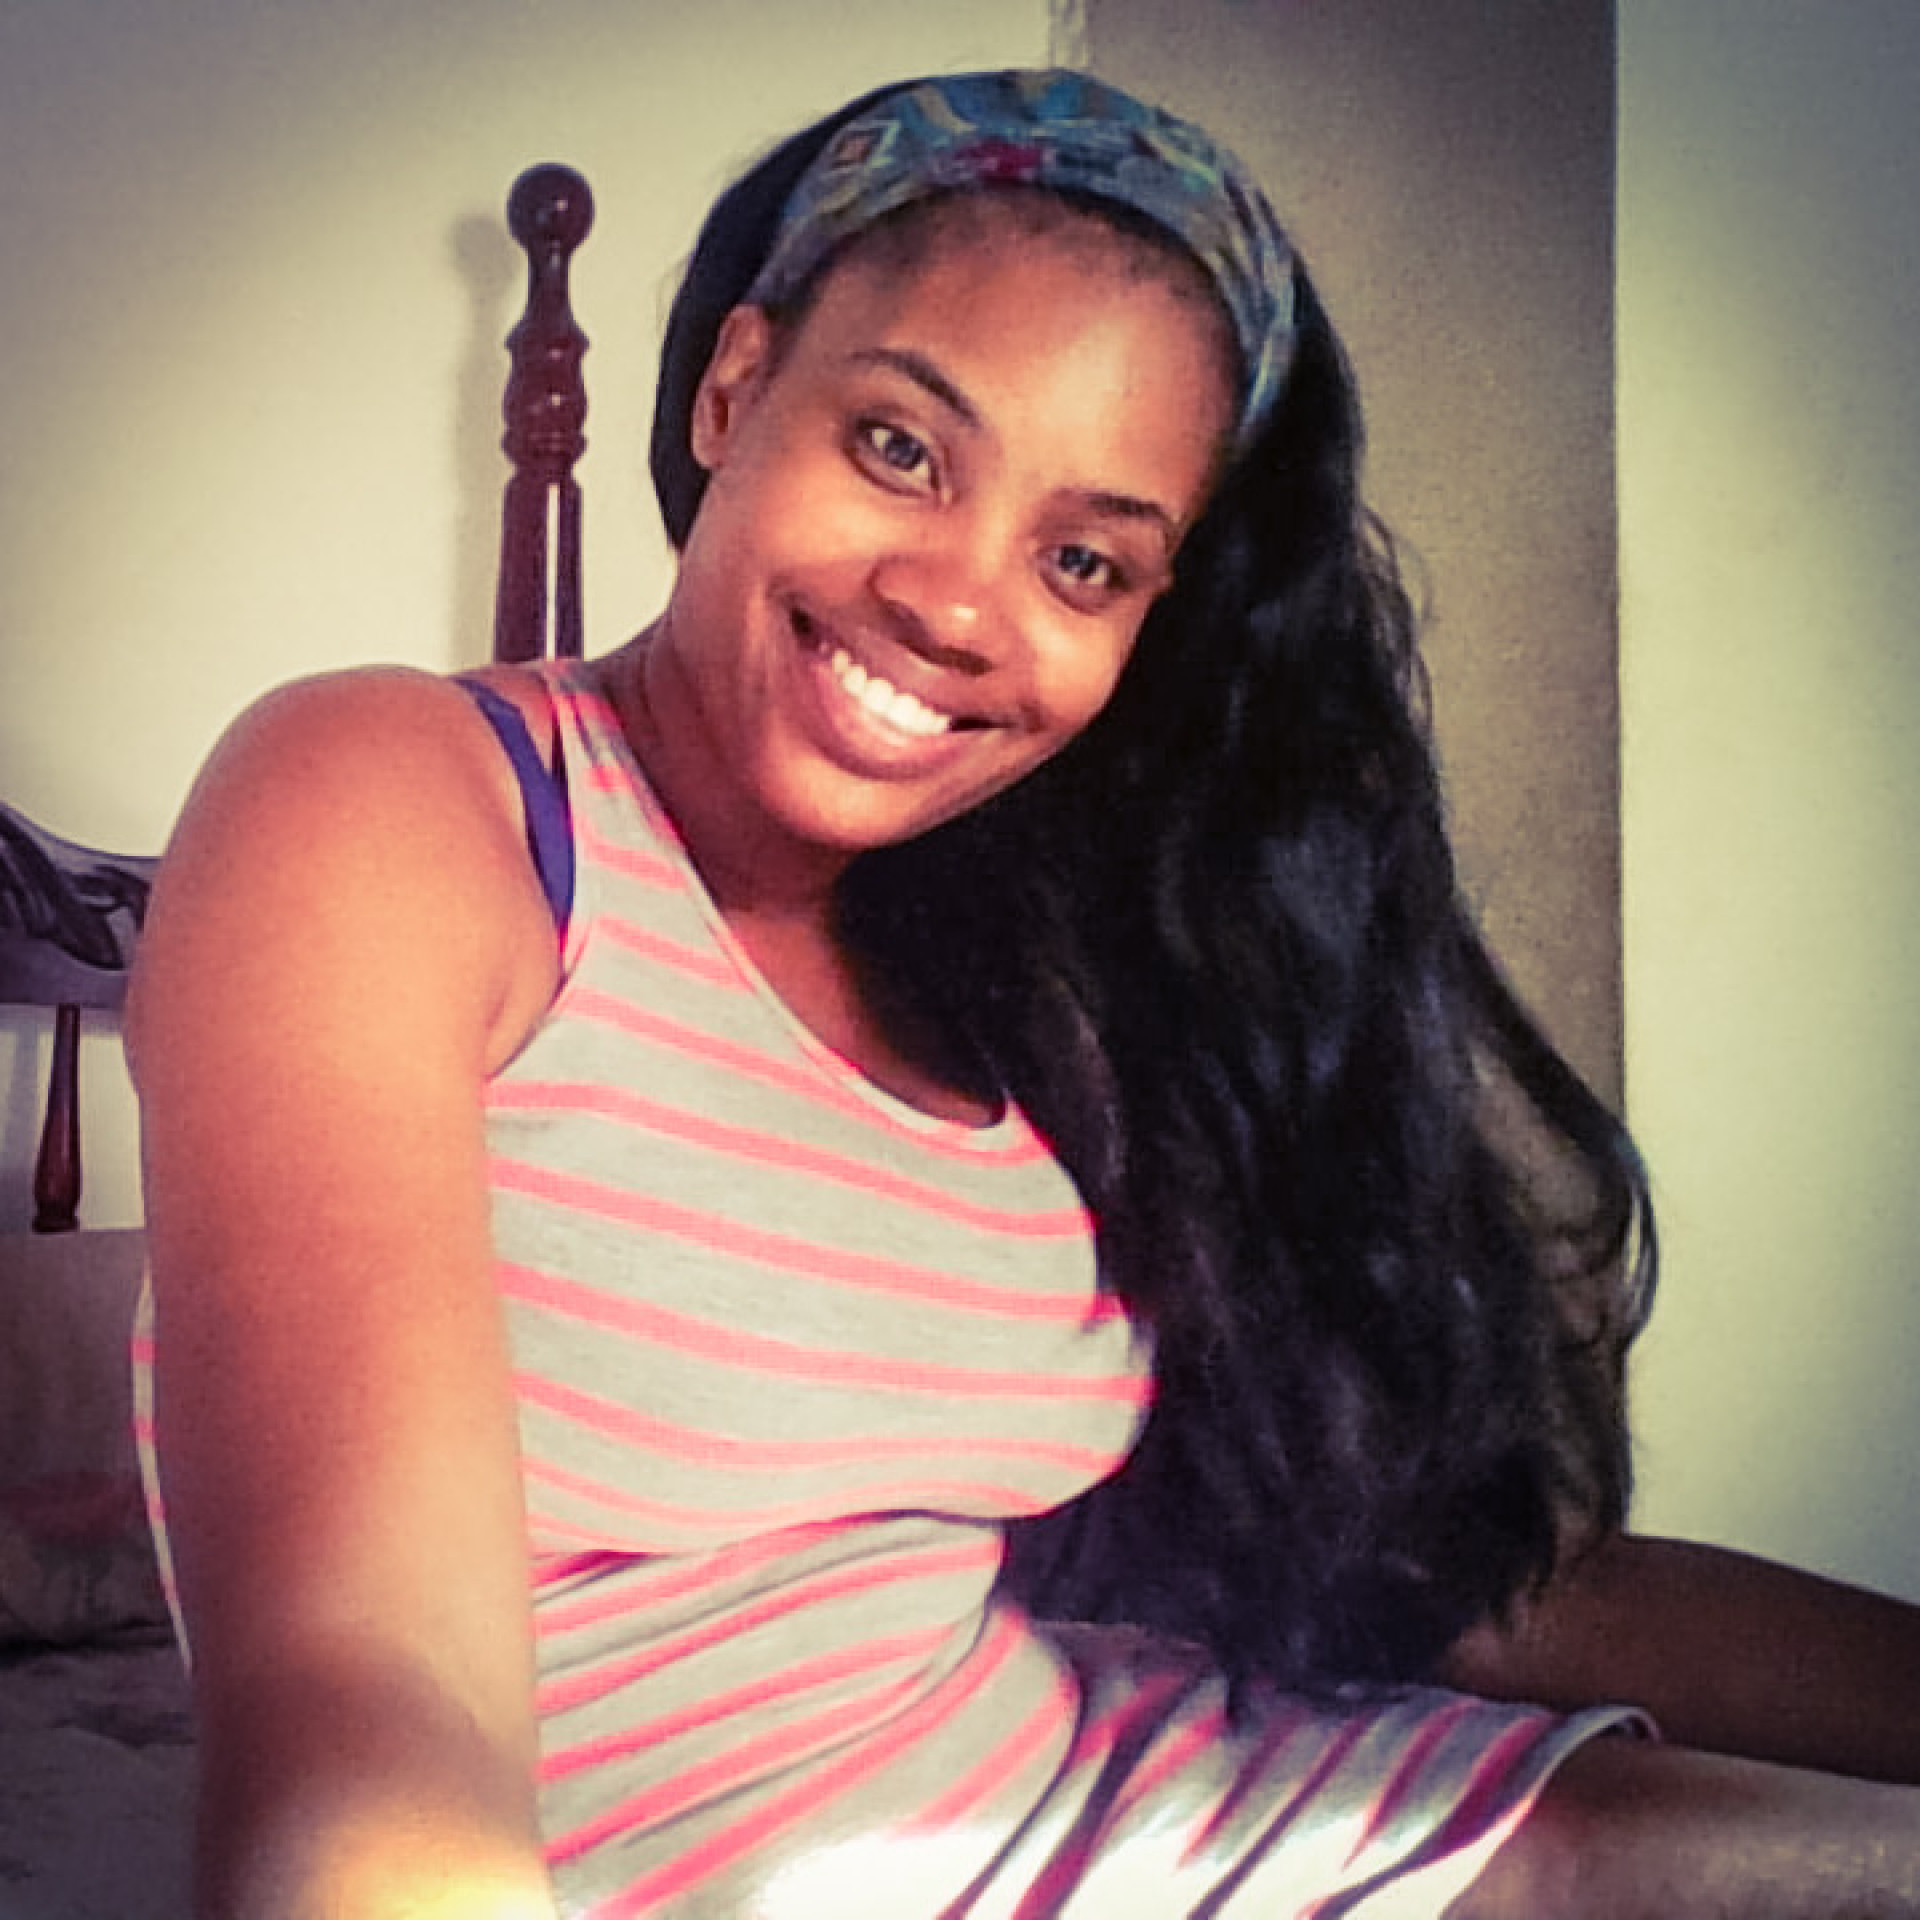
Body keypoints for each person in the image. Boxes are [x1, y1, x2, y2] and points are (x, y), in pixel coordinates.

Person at [127, 68, 1920, 1920]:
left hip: (1197, 1815)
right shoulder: (408, 809)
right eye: (901, 449)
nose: (961, 607)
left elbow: (1434, 1580)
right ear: (735, 387)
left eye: (1083, 562)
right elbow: (367, 1698)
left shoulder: (1038, 968)